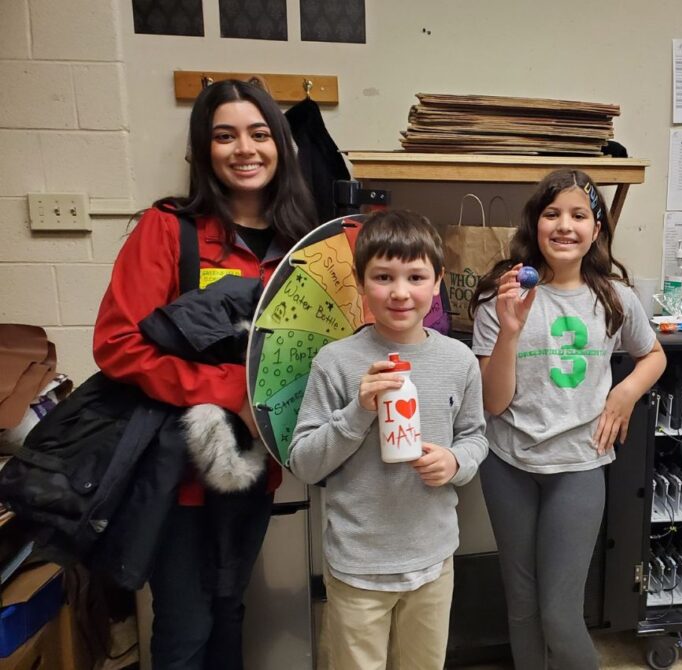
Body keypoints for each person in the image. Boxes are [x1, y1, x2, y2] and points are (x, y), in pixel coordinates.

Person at [93, 79, 318, 669]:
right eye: (225, 136)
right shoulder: (167, 229)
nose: (244, 148)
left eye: (259, 133)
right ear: (203, 150)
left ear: (281, 146)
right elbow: (116, 346)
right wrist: (233, 395)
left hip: (257, 470)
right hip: (178, 473)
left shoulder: (302, 243)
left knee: (229, 610)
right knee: (185, 627)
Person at [469, 169, 666, 669]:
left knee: (559, 614)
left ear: (596, 230)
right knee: (522, 606)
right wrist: (510, 329)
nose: (565, 225)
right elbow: (493, 403)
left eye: (579, 215)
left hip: (578, 463)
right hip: (507, 461)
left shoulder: (615, 297)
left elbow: (654, 356)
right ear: (535, 223)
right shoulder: (502, 295)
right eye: (552, 214)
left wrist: (625, 393)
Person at [289, 210, 488, 670]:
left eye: (415, 276)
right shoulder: (334, 362)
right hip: (358, 565)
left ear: (437, 282)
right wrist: (357, 411)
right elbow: (304, 462)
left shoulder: (458, 359)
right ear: (361, 283)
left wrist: (456, 463)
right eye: (383, 276)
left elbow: (476, 436)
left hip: (433, 560)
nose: (400, 292)